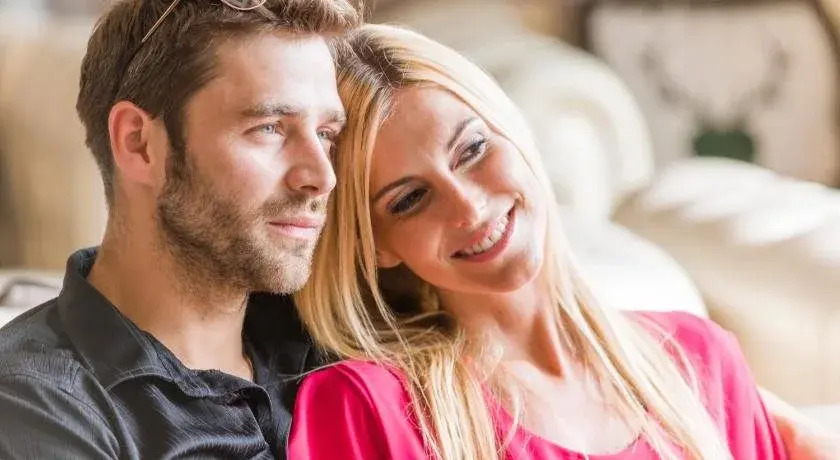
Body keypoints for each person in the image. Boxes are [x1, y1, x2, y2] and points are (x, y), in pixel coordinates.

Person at [288, 24, 791, 459]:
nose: (469, 208)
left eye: (473, 149)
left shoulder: (699, 359)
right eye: (411, 199)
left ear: (514, 131)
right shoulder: (364, 408)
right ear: (374, 245)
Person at [0, 0, 361, 458]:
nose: (322, 177)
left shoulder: (337, 340)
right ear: (139, 143)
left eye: (326, 134)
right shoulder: (37, 405)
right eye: (269, 127)